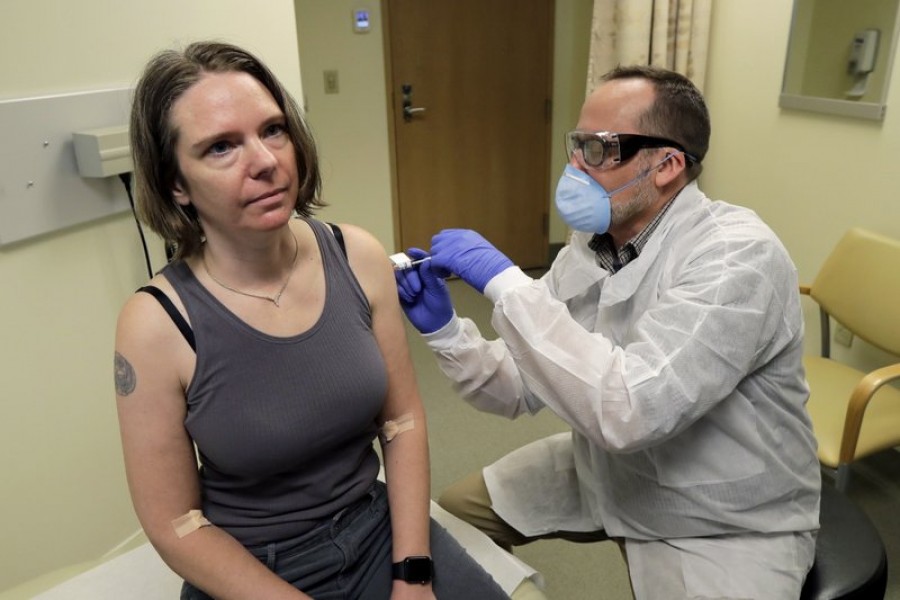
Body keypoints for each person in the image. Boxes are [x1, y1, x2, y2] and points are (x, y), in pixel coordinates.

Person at [395, 65, 821, 600]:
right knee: (455, 522)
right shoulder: (592, 245)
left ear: (667, 165)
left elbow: (632, 409)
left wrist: (509, 286)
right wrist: (447, 332)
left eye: (600, 148)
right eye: (576, 145)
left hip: (722, 514)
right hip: (612, 469)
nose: (575, 165)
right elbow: (519, 386)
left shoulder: (737, 256)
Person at [113, 40, 511, 600]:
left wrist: (413, 575)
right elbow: (176, 525)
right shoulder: (156, 325)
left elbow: (402, 423)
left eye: (272, 130)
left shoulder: (358, 256)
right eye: (222, 147)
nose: (266, 162)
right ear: (176, 183)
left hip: (377, 531)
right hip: (254, 570)